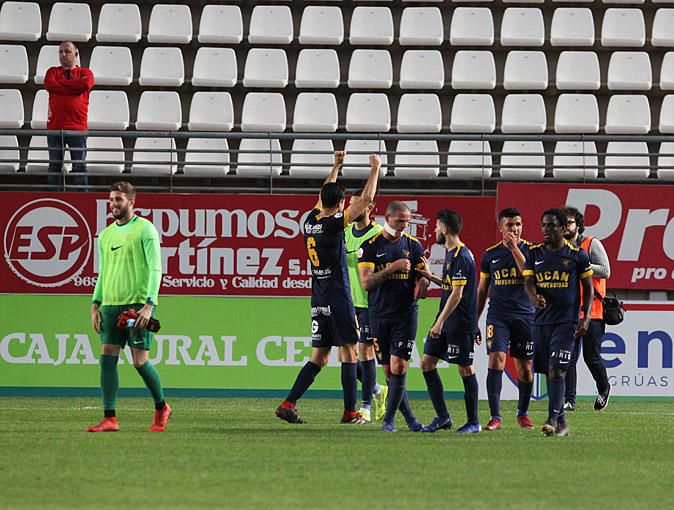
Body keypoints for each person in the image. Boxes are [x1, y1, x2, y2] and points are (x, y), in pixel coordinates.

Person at [276, 152, 380, 425]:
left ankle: (289, 402)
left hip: (318, 297)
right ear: (343, 203)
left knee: (320, 357)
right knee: (350, 352)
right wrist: (375, 168)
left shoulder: (309, 221)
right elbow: (367, 200)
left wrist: (336, 166)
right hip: (337, 296)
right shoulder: (335, 224)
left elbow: (320, 197)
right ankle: (350, 412)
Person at [88, 182, 170, 432]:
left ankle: (161, 406)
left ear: (131, 202)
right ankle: (110, 418)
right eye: (111, 199)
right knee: (107, 358)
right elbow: (103, 272)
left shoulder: (145, 229)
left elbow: (156, 268)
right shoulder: (106, 234)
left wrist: (149, 304)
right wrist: (95, 303)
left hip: (137, 304)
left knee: (139, 362)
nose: (114, 204)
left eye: (119, 200)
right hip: (111, 304)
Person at [358, 201, 429, 433]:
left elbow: (423, 274)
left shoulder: (414, 246)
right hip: (378, 315)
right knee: (389, 372)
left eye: (408, 220)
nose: (405, 225)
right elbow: (367, 282)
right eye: (400, 220)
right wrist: (393, 268)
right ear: (386, 218)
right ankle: (410, 420)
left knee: (399, 366)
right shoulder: (370, 246)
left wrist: (423, 283)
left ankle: (388, 420)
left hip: (405, 314)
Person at [523, 208, 594, 437]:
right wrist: (533, 296)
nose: (546, 229)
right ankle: (562, 424)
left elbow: (589, 288)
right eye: (544, 225)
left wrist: (586, 317)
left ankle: (552, 419)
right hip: (541, 323)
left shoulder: (577, 255)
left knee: (557, 370)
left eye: (552, 225)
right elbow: (528, 282)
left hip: (567, 322)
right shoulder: (533, 253)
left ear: (564, 228)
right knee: (547, 371)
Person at [417, 209, 481, 434]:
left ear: (444, 229)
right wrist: (428, 275)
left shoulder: (462, 255)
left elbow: (457, 294)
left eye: (436, 227)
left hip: (458, 322)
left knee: (465, 368)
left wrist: (439, 323)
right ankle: (443, 417)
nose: (434, 230)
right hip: (447, 319)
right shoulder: (450, 253)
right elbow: (449, 285)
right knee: (427, 363)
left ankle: (474, 422)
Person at [476, 208, 535, 430]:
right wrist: (475, 320)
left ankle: (523, 414)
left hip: (526, 315)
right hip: (498, 315)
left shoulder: (531, 251)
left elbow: (529, 275)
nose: (515, 229)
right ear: (501, 228)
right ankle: (495, 417)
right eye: (510, 225)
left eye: (518, 224)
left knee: (525, 369)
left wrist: (513, 250)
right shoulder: (490, 254)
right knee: (496, 359)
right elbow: (482, 290)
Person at [344, 190, 388, 423]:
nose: (352, 209)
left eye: (357, 205)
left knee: (365, 351)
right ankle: (377, 391)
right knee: (348, 355)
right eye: (350, 205)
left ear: (370, 208)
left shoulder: (378, 235)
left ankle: (366, 409)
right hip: (348, 304)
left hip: (371, 304)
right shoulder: (345, 233)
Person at [562, 207, 612, 412]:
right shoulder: (558, 248)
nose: (566, 226)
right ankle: (569, 400)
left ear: (578, 225)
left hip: (593, 312)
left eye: (570, 222)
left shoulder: (591, 243)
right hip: (568, 313)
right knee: (568, 357)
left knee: (591, 357)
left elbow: (606, 271)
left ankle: (603, 388)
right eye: (562, 223)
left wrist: (582, 266)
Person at [44, 41, 94, 190]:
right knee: (54, 167)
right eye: (60, 52)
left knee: (79, 167)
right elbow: (50, 85)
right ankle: (54, 198)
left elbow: (85, 85)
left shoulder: (86, 73)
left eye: (67, 51)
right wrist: (74, 87)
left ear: (76, 54)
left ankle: (81, 201)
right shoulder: (52, 72)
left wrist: (61, 85)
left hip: (77, 128)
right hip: (55, 127)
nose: (63, 55)